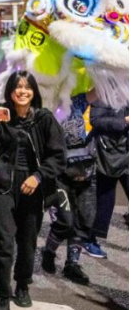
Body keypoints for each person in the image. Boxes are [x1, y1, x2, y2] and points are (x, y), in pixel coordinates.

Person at [0, 72, 65, 310]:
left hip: (33, 186)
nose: (23, 91)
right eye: (18, 87)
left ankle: (23, 284)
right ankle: (2, 296)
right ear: (10, 91)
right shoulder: (1, 114)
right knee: (3, 243)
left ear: (34, 91)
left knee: (27, 242)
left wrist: (38, 176)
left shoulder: (44, 118)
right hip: (3, 185)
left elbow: (58, 156)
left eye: (27, 87)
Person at [41, 92, 97, 286]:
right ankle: (49, 251)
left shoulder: (76, 102)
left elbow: (98, 91)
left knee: (84, 220)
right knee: (65, 221)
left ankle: (72, 264)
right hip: (59, 176)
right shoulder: (45, 110)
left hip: (84, 171)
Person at [88, 101, 129, 256]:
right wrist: (124, 121)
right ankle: (89, 239)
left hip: (126, 151)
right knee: (105, 198)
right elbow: (96, 120)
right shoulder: (105, 92)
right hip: (111, 153)